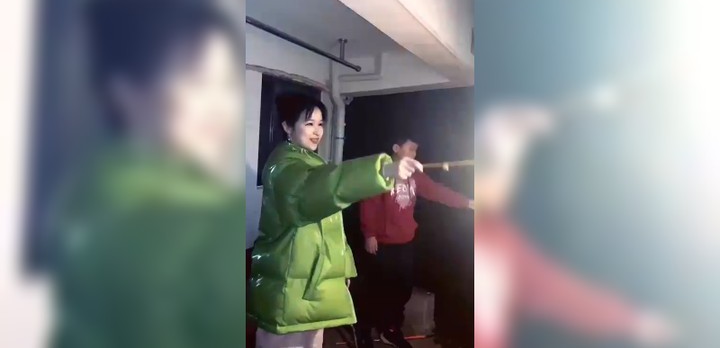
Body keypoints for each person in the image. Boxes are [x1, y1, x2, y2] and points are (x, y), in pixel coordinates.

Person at [47, 0, 245, 348]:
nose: (221, 106)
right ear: (128, 91)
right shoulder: (155, 214)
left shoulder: (97, 187)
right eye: (197, 80)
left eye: (227, 84)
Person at [473, 105, 676, 348]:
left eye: (512, 170)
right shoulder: (485, 237)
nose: (507, 183)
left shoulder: (501, 239)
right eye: (501, 168)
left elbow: (556, 292)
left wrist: (633, 321)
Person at [248, 93, 424, 348]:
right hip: (290, 283)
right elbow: (315, 190)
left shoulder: (310, 161)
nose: (317, 131)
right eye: (309, 123)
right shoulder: (284, 166)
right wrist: (383, 170)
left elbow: (329, 227)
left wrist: (343, 269)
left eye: (321, 123)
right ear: (287, 126)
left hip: (310, 280)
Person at [354, 137, 474, 348]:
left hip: (405, 241)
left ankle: (390, 328)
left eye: (416, 150)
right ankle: (363, 329)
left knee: (402, 289)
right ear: (396, 148)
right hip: (381, 243)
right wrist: (369, 233)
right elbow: (369, 200)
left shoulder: (414, 175)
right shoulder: (382, 170)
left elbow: (436, 191)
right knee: (376, 289)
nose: (414, 154)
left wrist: (468, 202)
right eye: (410, 149)